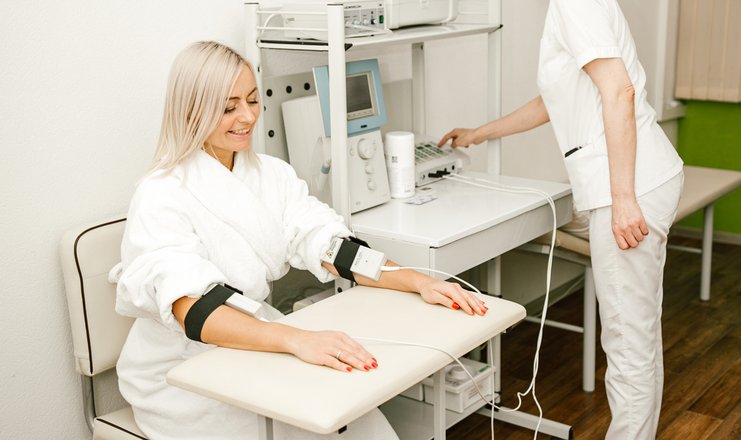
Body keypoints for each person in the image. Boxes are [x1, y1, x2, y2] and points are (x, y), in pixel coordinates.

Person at [110, 40, 487, 440]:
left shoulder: (269, 174)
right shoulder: (161, 194)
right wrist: (296, 340)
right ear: (191, 110)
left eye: (252, 100)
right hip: (184, 375)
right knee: (316, 422)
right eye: (228, 107)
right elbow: (192, 309)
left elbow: (329, 245)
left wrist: (416, 281)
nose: (248, 117)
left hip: (257, 340)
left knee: (358, 418)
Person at [439, 1, 684, 438]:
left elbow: (619, 92)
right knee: (638, 337)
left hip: (629, 187)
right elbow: (555, 99)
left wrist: (622, 200)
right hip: (635, 181)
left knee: (628, 344)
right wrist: (480, 132)